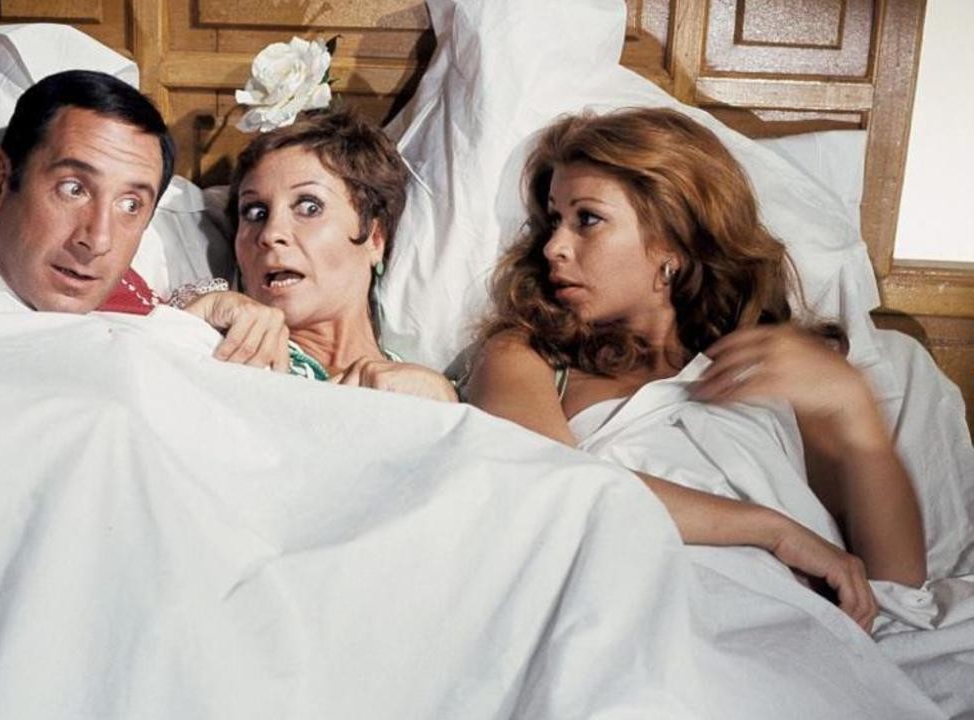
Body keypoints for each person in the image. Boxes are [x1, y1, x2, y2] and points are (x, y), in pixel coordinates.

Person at [465, 108, 926, 629]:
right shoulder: (525, 356)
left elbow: (898, 586)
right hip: (626, 609)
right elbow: (551, 486)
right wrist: (770, 529)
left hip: (784, 623)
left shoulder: (779, 367)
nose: (554, 246)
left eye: (586, 220)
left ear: (673, 242)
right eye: (553, 220)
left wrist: (854, 405)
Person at [0, 69, 289, 370]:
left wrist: (189, 327)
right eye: (74, 189)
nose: (98, 240)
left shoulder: (160, 313)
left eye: (130, 205)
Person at [226, 109, 456, 401]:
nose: (270, 233)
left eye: (309, 207)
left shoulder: (431, 392)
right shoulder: (216, 348)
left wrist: (446, 404)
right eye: (255, 212)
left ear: (374, 238)